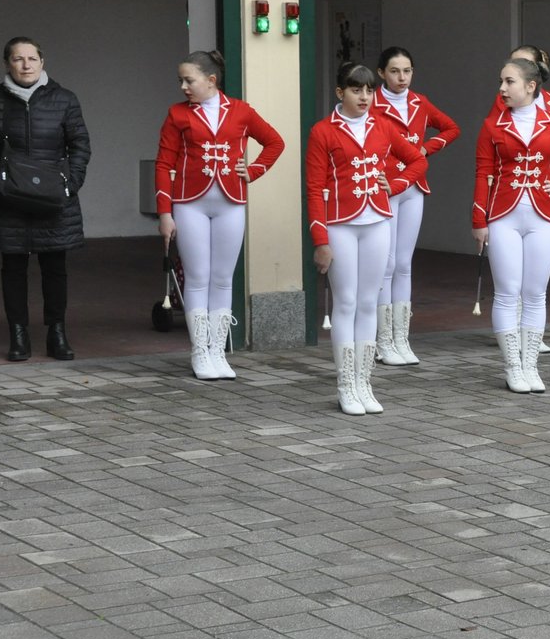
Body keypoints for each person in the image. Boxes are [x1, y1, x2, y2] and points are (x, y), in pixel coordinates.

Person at [154, 49, 285, 380]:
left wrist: (253, 171)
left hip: (231, 202)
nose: (183, 86)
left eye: (189, 80)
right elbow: (163, 164)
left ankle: (217, 351)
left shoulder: (240, 111)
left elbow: (275, 142)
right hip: (189, 203)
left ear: (211, 80)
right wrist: (165, 213)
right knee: (198, 276)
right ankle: (199, 352)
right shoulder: (177, 114)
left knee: (223, 277)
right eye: (180, 80)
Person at [307, 62, 427, 415]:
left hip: (377, 222)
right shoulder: (322, 131)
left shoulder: (384, 126)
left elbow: (417, 161)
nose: (364, 96)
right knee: (345, 303)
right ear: (340, 92)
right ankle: (346, 384)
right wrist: (320, 239)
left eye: (369, 90)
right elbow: (314, 189)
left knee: (367, 302)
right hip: (341, 224)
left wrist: (400, 183)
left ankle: (364, 382)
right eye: (356, 89)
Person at [473, 56, 550, 394]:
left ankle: (531, 365)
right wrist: (479, 219)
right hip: (503, 215)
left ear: (530, 86)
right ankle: (512, 367)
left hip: (543, 214)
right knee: (507, 293)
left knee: (536, 293)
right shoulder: (493, 126)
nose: (502, 89)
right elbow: (482, 172)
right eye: (501, 81)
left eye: (509, 82)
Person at [0, 37, 90, 361]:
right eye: (18, 59)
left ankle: (56, 334)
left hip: (53, 199)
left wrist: (69, 185)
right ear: (7, 63)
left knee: (55, 266)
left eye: (32, 58)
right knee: (13, 267)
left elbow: (80, 145)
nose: (26, 64)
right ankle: (18, 336)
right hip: (10, 201)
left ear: (42, 61)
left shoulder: (64, 99)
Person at [372, 47, 460, 368]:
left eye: (407, 71)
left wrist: (425, 148)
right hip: (384, 187)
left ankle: (401, 338)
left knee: (405, 263)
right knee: (386, 263)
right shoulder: (374, 102)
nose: (401, 78)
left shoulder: (419, 102)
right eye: (394, 71)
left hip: (414, 186)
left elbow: (451, 128)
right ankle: (382, 340)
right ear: (382, 72)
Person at [508, 45, 550, 354]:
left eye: (523, 62)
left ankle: (533, 329)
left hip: (546, 189)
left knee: (537, 263)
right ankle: (514, 324)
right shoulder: (504, 100)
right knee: (513, 266)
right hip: (513, 196)